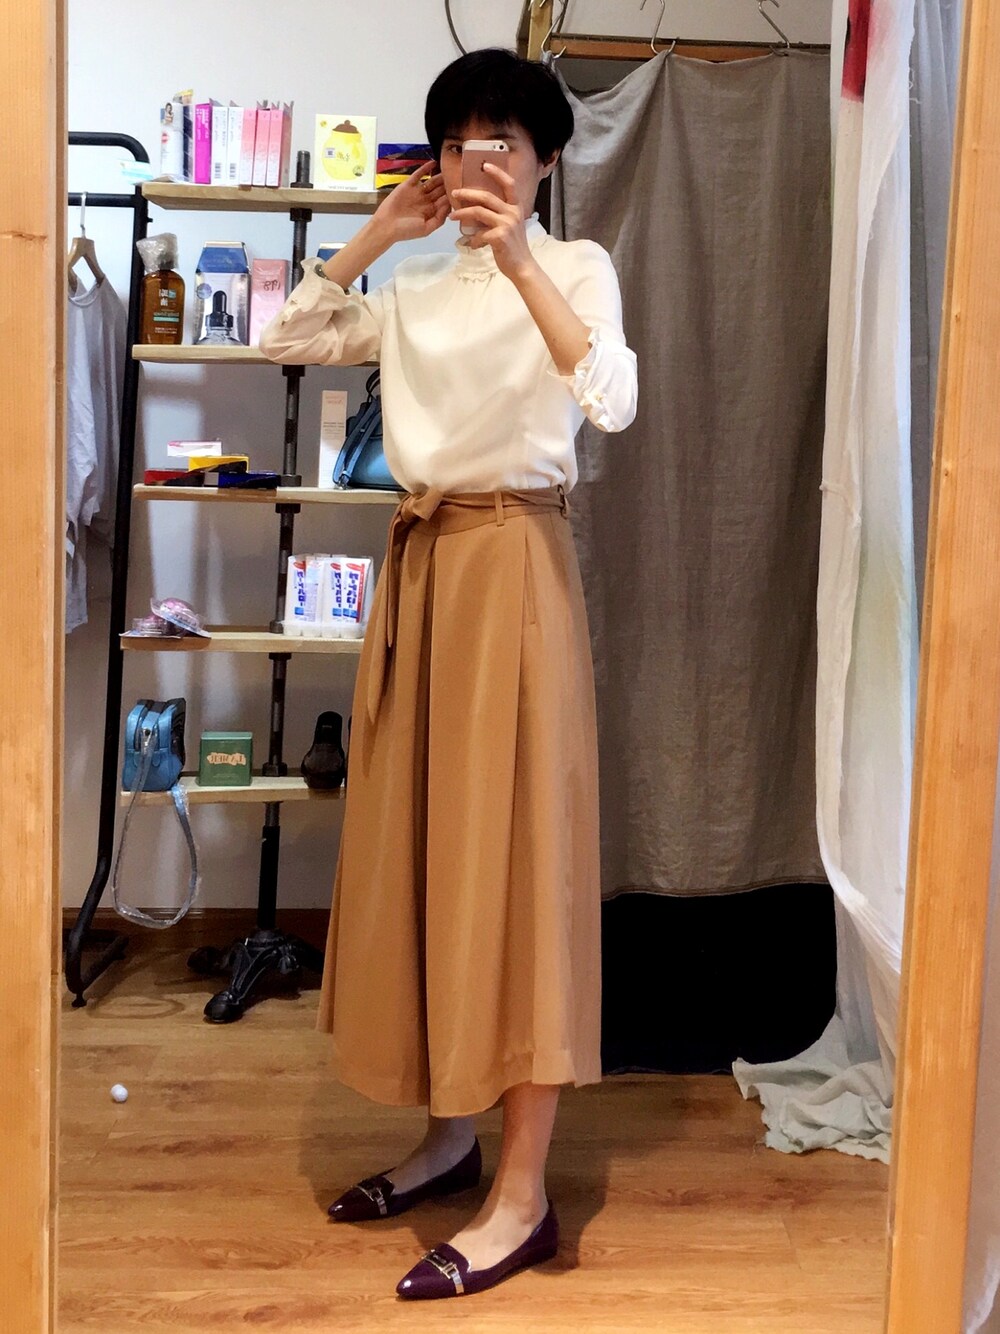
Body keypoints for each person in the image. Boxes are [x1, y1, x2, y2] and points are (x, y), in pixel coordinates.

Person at [260, 47, 637, 1301]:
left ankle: (522, 1192)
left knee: (516, 865)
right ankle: (449, 1136)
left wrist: (521, 258)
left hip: (515, 561)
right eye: (460, 143)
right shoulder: (414, 286)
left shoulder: (575, 267)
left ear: (543, 159)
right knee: (428, 855)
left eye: (503, 143)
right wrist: (380, 231)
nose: (481, 163)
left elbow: (613, 399)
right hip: (420, 568)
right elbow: (286, 334)